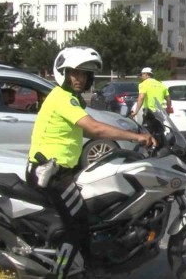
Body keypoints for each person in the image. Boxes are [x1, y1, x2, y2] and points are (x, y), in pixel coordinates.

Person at [26, 46, 156, 278]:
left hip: (61, 170)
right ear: (63, 73)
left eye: (84, 74)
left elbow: (90, 128)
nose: (80, 78)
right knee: (77, 227)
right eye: (75, 73)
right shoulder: (61, 98)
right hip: (51, 175)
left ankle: (92, 264)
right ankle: (61, 273)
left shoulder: (71, 100)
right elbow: (95, 127)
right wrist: (137, 137)